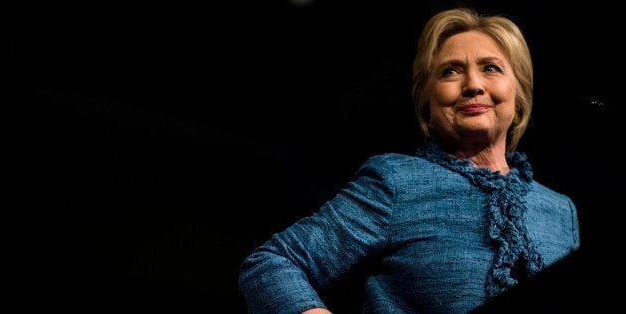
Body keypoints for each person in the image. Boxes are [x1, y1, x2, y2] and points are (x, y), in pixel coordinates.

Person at [238, 6, 580, 313]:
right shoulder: (397, 181)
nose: (473, 84)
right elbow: (271, 264)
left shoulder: (561, 211)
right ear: (427, 105)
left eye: (491, 68)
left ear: (519, 95)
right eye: (450, 72)